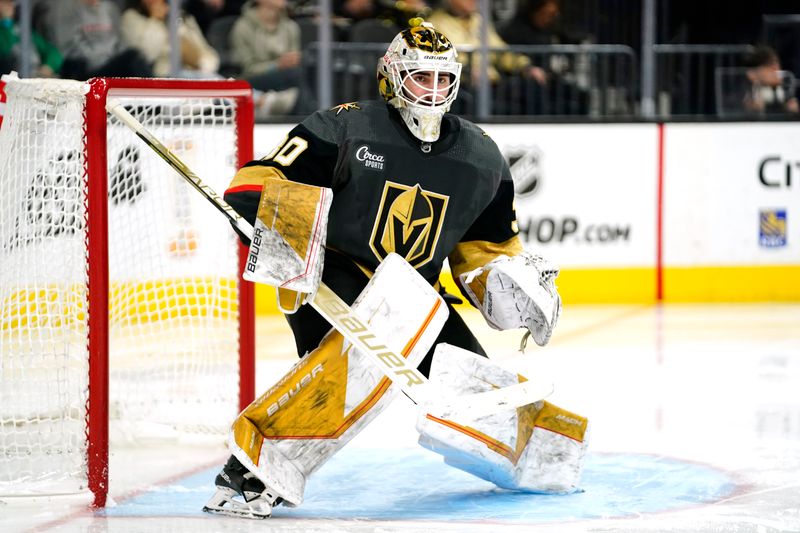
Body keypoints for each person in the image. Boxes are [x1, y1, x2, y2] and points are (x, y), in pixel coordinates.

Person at [204, 18, 588, 519]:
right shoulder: (342, 127)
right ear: (391, 76)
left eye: (442, 79)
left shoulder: (482, 158)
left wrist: (503, 283)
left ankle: (542, 456)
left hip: (416, 291)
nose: (431, 91)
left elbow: (485, 246)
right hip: (334, 273)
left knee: (472, 387)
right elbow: (256, 183)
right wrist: (280, 225)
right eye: (419, 77)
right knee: (360, 360)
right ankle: (251, 474)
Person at [427, 0, 548, 114]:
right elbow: (437, 59)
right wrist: (466, 71)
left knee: (532, 90)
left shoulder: (479, 20)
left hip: (491, 83)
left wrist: (526, 67)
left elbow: (501, 51)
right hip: (461, 86)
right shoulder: (434, 23)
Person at [39, 0, 152, 80]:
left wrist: (113, 58)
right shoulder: (65, 7)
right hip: (83, 68)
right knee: (132, 59)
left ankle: (152, 105)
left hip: (111, 63)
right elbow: (68, 47)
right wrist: (103, 59)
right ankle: (156, 107)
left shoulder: (109, 8)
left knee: (136, 57)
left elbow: (119, 40)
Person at [230, 0, 301, 116]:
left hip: (287, 77)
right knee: (297, 76)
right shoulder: (243, 27)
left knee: (304, 77)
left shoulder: (291, 27)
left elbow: (295, 59)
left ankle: (272, 102)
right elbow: (248, 68)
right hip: (254, 78)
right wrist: (277, 65)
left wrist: (295, 60)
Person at [120, 0, 220, 78]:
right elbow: (146, 56)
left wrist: (200, 64)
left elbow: (208, 54)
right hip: (163, 77)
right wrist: (155, 19)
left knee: (221, 90)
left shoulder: (182, 17)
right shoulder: (131, 17)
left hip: (197, 75)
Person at [0, 0, 63, 77]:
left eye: (10, 3)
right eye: (3, 3)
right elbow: (5, 50)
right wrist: (5, 21)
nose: (8, 6)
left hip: (36, 76)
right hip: (13, 79)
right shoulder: (4, 31)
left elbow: (52, 51)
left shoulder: (22, 29)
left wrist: (49, 66)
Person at [742, 45, 799, 115]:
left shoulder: (786, 83)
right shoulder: (751, 89)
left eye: (777, 63)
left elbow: (792, 107)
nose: (776, 68)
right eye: (770, 65)